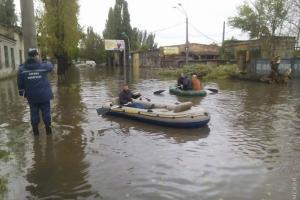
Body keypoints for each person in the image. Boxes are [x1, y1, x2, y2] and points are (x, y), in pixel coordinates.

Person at [17, 48, 54, 135]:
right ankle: (48, 132)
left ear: (28, 56)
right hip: (44, 95)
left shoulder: (22, 68)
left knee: (34, 113)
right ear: (37, 55)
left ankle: (35, 133)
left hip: (31, 96)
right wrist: (44, 60)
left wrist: (22, 93)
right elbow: (51, 66)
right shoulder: (44, 65)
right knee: (46, 113)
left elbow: (20, 83)